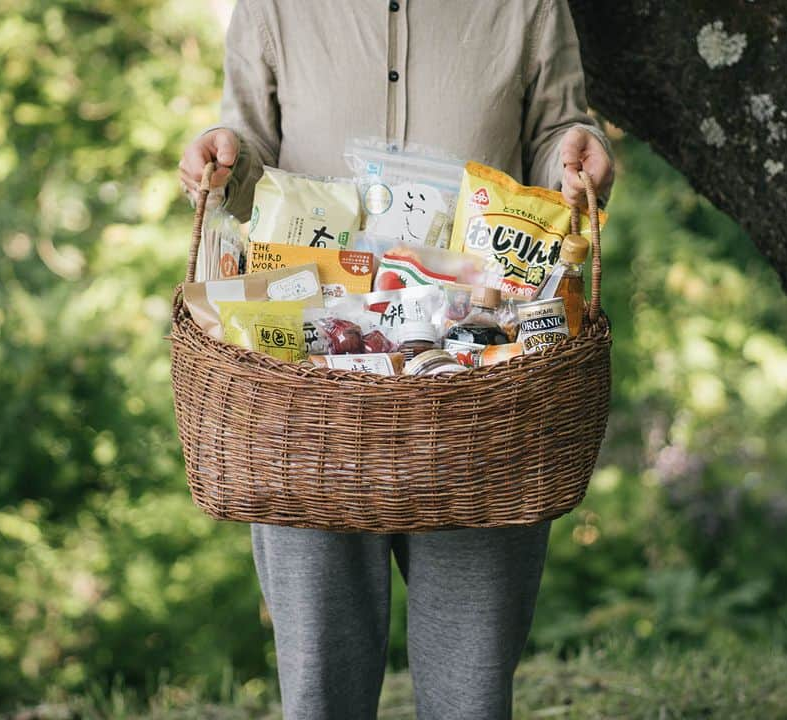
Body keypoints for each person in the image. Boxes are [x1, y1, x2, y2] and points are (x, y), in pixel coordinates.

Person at [178, 2, 614, 718]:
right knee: (321, 691)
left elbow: (555, 140)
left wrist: (580, 155)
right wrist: (221, 152)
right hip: (311, 391)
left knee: (470, 698)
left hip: (482, 385)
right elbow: (249, 149)